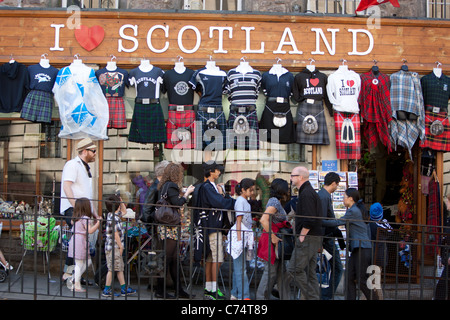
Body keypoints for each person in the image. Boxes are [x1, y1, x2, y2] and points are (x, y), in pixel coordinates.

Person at [193, 161, 235, 300]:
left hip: (210, 226)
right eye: (217, 170)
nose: (219, 172)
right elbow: (220, 203)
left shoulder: (207, 187)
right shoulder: (208, 187)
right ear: (211, 171)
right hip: (212, 226)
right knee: (217, 258)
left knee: (211, 258)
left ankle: (210, 288)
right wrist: (229, 199)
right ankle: (211, 288)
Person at [60, 138, 100, 283]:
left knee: (78, 242)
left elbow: (86, 195)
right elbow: (66, 187)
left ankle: (73, 274)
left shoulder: (85, 167)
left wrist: (94, 213)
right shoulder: (72, 165)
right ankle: (69, 274)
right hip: (73, 209)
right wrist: (76, 207)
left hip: (81, 210)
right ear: (84, 151)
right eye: (93, 151)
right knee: (79, 241)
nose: (95, 154)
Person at [155, 162, 195, 299]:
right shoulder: (171, 185)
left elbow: (172, 199)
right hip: (169, 226)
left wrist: (182, 191)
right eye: (180, 173)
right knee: (167, 259)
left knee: (173, 259)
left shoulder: (164, 185)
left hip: (166, 225)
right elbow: (177, 203)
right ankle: (160, 290)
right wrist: (187, 194)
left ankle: (179, 290)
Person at [287, 166, 323, 300]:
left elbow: (309, 218)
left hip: (308, 237)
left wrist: (302, 235)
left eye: (292, 175)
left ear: (300, 177)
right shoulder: (308, 191)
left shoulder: (306, 193)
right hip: (313, 237)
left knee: (294, 268)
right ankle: (314, 297)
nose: (290, 178)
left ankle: (312, 297)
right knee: (309, 272)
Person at [256, 178, 292, 300]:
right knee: (271, 272)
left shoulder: (276, 201)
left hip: (277, 240)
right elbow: (263, 220)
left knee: (282, 272)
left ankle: (284, 297)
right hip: (273, 240)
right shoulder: (274, 201)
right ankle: (261, 297)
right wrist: (273, 237)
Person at [340, 188, 378, 300]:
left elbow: (339, 221)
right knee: (349, 277)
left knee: (361, 280)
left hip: (362, 247)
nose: (343, 198)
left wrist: (321, 221)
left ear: (350, 198)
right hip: (358, 248)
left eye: (344, 196)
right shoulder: (356, 209)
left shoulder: (353, 211)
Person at [102, 194, 137, 297]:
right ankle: (106, 290)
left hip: (113, 247)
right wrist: (121, 246)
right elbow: (115, 233)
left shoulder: (112, 215)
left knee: (119, 268)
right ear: (117, 206)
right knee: (112, 269)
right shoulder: (114, 218)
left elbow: (125, 212)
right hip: (114, 247)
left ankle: (123, 288)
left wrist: (121, 202)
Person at [319, 172, 345, 300]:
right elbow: (322, 221)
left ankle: (326, 295)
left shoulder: (323, 195)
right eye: (337, 184)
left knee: (329, 268)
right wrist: (339, 222)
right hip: (326, 239)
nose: (337, 187)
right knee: (338, 268)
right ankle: (327, 296)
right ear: (333, 183)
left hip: (326, 238)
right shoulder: (324, 197)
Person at [67, 198, 101, 292]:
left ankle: (74, 278)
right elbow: (89, 231)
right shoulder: (85, 218)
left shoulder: (76, 217)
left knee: (88, 261)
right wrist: (98, 223)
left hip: (76, 240)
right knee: (79, 263)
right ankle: (76, 285)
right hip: (80, 241)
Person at [229, 178, 255, 300]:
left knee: (239, 268)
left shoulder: (242, 200)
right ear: (243, 190)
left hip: (241, 236)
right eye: (251, 190)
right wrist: (239, 239)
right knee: (241, 268)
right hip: (240, 237)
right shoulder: (241, 201)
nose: (252, 192)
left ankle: (235, 293)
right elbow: (238, 220)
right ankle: (243, 296)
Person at [141, 160, 170, 224]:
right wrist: (151, 230)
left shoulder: (160, 185)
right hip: (154, 224)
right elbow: (146, 209)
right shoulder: (154, 188)